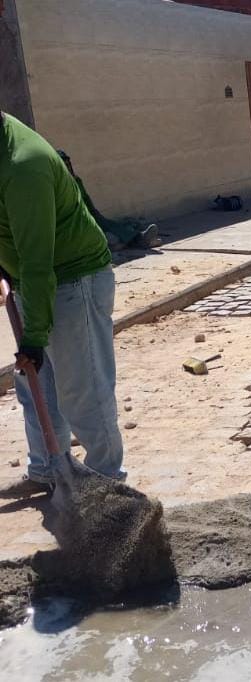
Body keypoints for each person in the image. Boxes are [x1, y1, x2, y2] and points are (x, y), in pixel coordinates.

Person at [0, 112, 125, 499]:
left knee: (82, 390)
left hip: (73, 280)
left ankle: (107, 489)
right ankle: (48, 471)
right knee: (35, 387)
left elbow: (38, 261)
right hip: (30, 279)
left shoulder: (24, 166)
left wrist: (34, 338)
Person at [57, 150, 160, 250]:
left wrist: (93, 213)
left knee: (110, 225)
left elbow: (86, 198)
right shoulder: (57, 185)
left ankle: (139, 238)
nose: (67, 167)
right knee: (110, 238)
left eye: (67, 163)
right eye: (63, 164)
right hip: (73, 221)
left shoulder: (76, 180)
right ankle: (136, 240)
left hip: (87, 215)